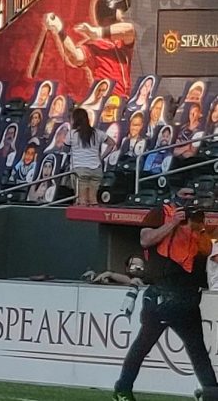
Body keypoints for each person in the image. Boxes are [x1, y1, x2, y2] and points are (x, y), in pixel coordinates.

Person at [114, 190, 218, 400]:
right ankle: (122, 388)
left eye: (192, 196)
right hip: (163, 294)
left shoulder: (198, 223)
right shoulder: (159, 213)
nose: (188, 200)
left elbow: (207, 249)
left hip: (187, 297)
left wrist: (197, 228)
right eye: (185, 195)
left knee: (197, 349)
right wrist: (173, 223)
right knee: (143, 345)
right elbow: (146, 240)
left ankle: (211, 392)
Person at [45, 0, 135, 96]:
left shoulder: (121, 39)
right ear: (111, 10)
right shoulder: (93, 44)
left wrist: (97, 32)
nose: (123, 13)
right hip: (104, 100)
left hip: (123, 101)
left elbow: (129, 29)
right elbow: (76, 57)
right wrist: (60, 30)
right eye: (120, 8)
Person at [66, 107, 115, 207]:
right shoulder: (97, 133)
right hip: (96, 168)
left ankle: (83, 222)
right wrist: (101, 157)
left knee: (82, 201)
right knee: (93, 201)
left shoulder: (72, 134)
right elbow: (112, 143)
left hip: (80, 170)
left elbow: (65, 145)